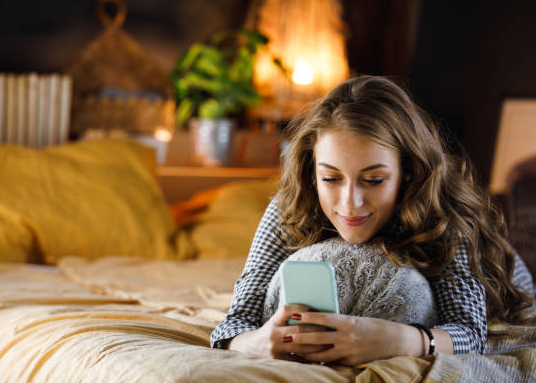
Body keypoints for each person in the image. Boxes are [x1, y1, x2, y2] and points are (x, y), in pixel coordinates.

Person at [210, 75, 534, 365]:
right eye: (331, 179)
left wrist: (400, 339)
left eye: (374, 180)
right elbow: (235, 323)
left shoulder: (441, 211)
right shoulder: (290, 207)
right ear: (311, 172)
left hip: (511, 292)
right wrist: (257, 343)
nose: (350, 204)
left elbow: (470, 332)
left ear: (408, 173)